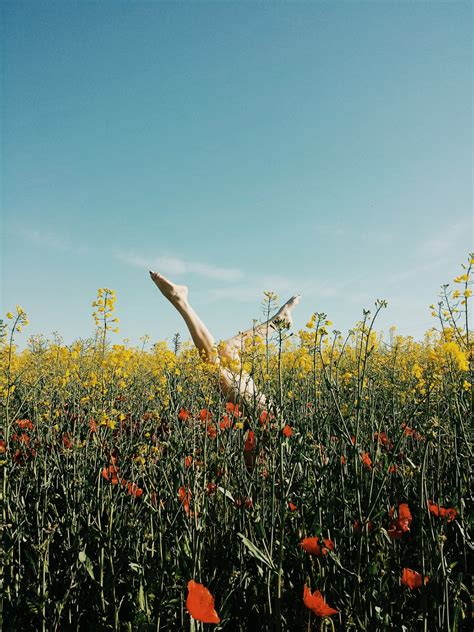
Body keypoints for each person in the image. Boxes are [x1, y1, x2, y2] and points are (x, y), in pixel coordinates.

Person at [149, 271, 300, 411]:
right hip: (268, 413)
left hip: (266, 419)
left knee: (213, 365)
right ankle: (278, 322)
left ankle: (180, 301)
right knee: (227, 349)